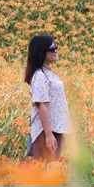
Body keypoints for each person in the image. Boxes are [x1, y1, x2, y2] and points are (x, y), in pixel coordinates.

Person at [24, 34, 71, 162]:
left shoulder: (49, 72)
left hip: (54, 129)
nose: (55, 51)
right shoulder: (39, 75)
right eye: (51, 49)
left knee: (51, 169)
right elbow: (41, 105)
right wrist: (49, 135)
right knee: (43, 170)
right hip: (45, 131)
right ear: (41, 51)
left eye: (56, 47)